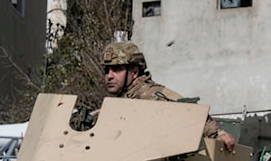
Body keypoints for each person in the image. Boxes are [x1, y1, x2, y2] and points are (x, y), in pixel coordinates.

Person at [100, 41, 235, 152]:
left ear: (134, 72)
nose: (109, 76)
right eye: (106, 70)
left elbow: (190, 111)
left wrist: (218, 134)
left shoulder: (151, 95)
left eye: (117, 69)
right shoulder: (121, 101)